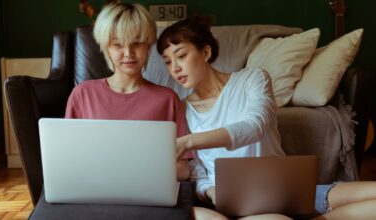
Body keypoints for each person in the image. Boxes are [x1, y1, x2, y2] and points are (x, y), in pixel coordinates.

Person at [157, 18, 376, 220]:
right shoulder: (183, 109)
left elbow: (254, 127)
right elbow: (196, 170)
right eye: (167, 61)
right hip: (239, 202)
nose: (174, 68)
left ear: (205, 52)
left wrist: (190, 140)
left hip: (287, 190)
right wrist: (212, 192)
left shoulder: (253, 78)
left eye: (181, 55)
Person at [65, 2, 192, 180]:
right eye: (118, 45)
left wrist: (133, 177)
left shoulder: (168, 99)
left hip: (149, 193)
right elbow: (68, 159)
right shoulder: (82, 94)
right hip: (96, 189)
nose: (128, 53)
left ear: (148, 45)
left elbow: (183, 168)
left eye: (137, 43)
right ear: (106, 48)